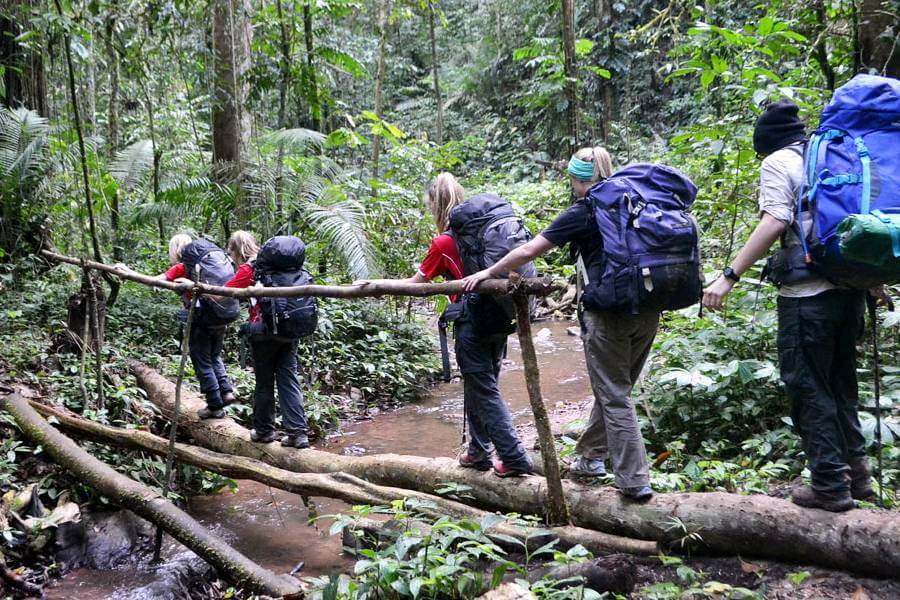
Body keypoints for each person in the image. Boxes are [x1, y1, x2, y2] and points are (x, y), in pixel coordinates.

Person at [702, 99, 880, 512]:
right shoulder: (830, 156)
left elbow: (775, 221)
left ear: (765, 143)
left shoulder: (778, 162)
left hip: (807, 298)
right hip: (850, 290)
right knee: (840, 384)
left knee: (808, 387)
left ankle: (829, 486)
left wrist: (728, 277)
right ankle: (858, 474)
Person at [462, 147, 656, 500]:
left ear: (577, 179)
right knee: (616, 387)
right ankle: (590, 458)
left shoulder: (585, 210)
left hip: (608, 312)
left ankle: (633, 481)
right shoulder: (639, 199)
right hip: (650, 307)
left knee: (614, 394)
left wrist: (488, 271)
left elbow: (527, 251)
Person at [358, 173, 534, 477]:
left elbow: (415, 284)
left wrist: (374, 283)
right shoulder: (480, 235)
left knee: (483, 389)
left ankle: (514, 456)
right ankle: (479, 452)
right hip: (500, 316)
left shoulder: (443, 242)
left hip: (471, 322)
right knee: (482, 385)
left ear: (436, 207)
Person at [224, 230, 311, 449]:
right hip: (289, 331)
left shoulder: (250, 269)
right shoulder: (287, 268)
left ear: (236, 251)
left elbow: (224, 292)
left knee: (264, 382)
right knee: (288, 379)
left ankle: (264, 431)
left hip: (263, 333)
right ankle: (297, 434)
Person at [158, 233, 235, 420]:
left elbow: (159, 280)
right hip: (220, 316)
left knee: (202, 360)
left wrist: (127, 271)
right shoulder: (206, 264)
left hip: (201, 318)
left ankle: (214, 405)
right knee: (214, 355)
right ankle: (226, 391)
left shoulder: (182, 267)